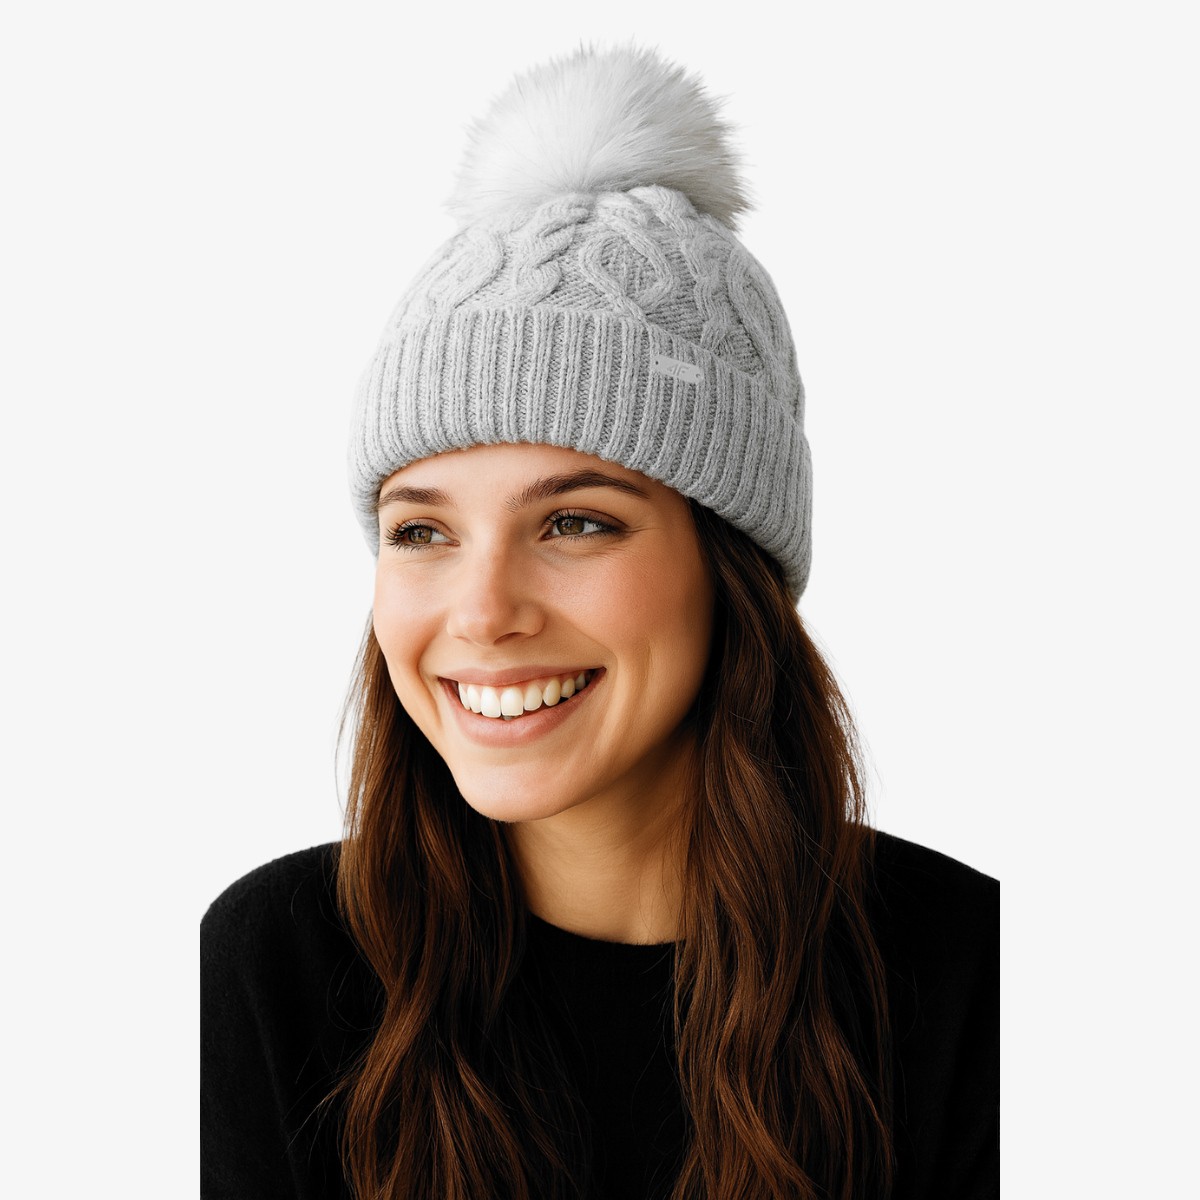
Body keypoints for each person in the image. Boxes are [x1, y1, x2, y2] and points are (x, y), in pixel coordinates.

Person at [201, 42, 999, 1200]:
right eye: (421, 531)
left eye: (575, 522)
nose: (483, 612)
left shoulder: (973, 975)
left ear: (732, 564)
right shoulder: (272, 967)